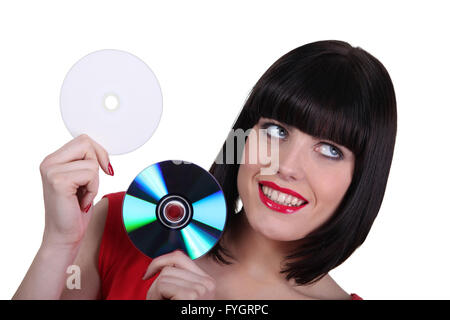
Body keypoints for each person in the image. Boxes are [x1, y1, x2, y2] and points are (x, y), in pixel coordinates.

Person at [13, 40, 396, 300]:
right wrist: (59, 245)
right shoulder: (128, 224)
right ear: (244, 137)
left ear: (360, 178)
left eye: (329, 150)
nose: (288, 167)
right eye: (276, 130)